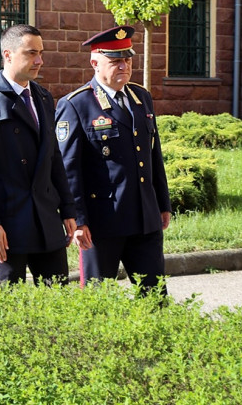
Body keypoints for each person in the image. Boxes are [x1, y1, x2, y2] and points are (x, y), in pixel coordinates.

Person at [0, 24, 84, 285]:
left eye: (41, 53)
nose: (39, 60)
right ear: (8, 55)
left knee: (57, 302)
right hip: (7, 223)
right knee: (9, 307)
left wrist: (68, 210)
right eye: (31, 53)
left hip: (45, 220)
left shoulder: (42, 97)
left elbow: (54, 159)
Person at [55, 25, 172, 293]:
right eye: (115, 61)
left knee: (154, 297)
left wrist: (162, 203)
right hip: (101, 224)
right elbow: (68, 169)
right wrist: (78, 220)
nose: (124, 66)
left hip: (144, 219)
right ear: (95, 62)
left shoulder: (140, 97)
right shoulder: (76, 104)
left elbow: (154, 154)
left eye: (127, 59)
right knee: (98, 299)